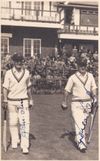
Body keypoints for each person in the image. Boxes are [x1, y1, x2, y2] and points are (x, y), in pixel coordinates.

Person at [61, 59, 97, 153]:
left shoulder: (90, 76)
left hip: (88, 103)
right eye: (81, 65)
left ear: (86, 66)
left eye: (84, 65)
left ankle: (79, 138)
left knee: (83, 123)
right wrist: (64, 101)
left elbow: (93, 88)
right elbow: (67, 90)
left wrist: (95, 97)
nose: (83, 67)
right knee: (79, 123)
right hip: (76, 103)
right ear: (78, 66)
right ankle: (82, 144)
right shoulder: (73, 77)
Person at [2, 53, 34, 154]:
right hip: (11, 101)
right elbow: (5, 88)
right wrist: (5, 100)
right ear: (13, 62)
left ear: (23, 62)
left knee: (24, 123)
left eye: (21, 61)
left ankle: (25, 146)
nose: (19, 63)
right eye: (17, 61)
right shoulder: (8, 73)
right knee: (13, 122)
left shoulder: (27, 73)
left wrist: (31, 99)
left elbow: (28, 88)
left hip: (23, 100)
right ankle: (15, 140)